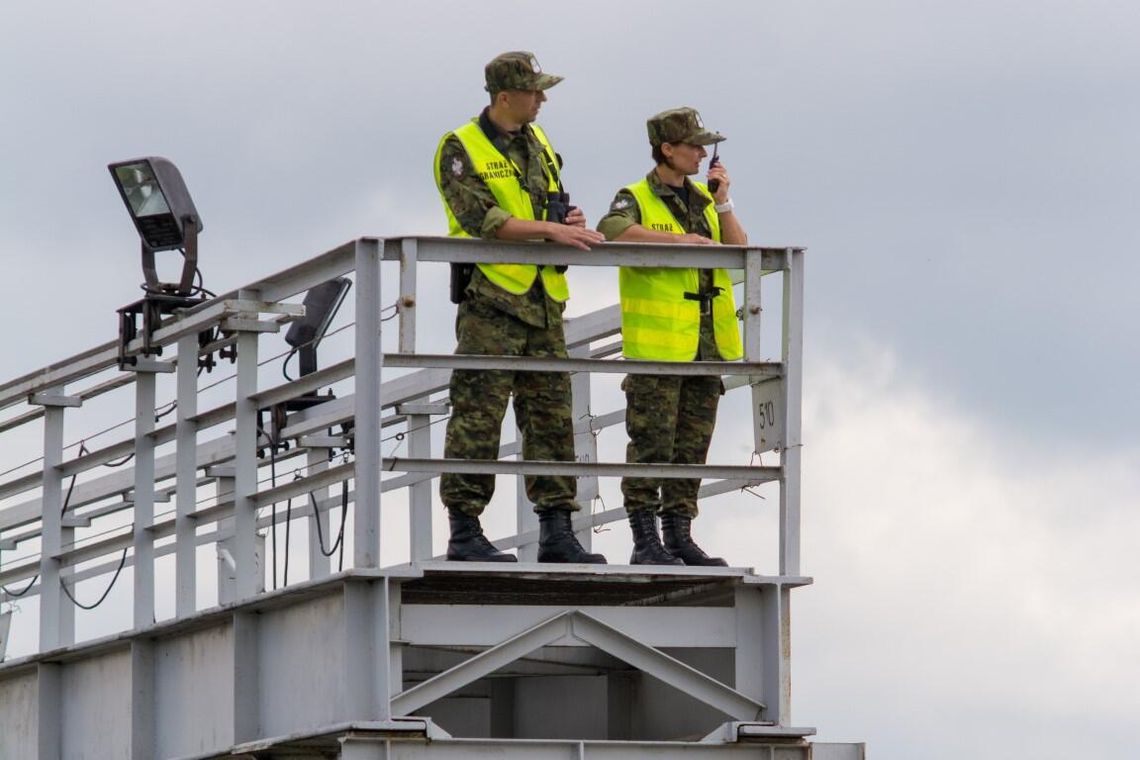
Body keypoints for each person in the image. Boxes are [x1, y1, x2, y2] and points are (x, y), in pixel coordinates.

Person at [433, 51, 607, 564]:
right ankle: (465, 532)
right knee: (477, 418)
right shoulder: (460, 147)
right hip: (491, 302)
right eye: (535, 91)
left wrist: (566, 218)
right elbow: (481, 218)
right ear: (504, 96)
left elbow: (543, 205)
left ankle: (557, 531)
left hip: (544, 303)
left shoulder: (540, 142)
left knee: (552, 419)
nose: (543, 99)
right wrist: (549, 229)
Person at [596, 107, 748, 566]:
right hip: (659, 348)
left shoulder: (704, 200)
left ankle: (679, 535)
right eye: (694, 145)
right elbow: (612, 229)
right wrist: (682, 242)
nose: (702, 153)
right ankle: (646, 541)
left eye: (705, 146)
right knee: (651, 445)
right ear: (667, 149)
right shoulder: (636, 195)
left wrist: (723, 202)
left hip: (706, 345)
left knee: (691, 447)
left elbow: (740, 251)